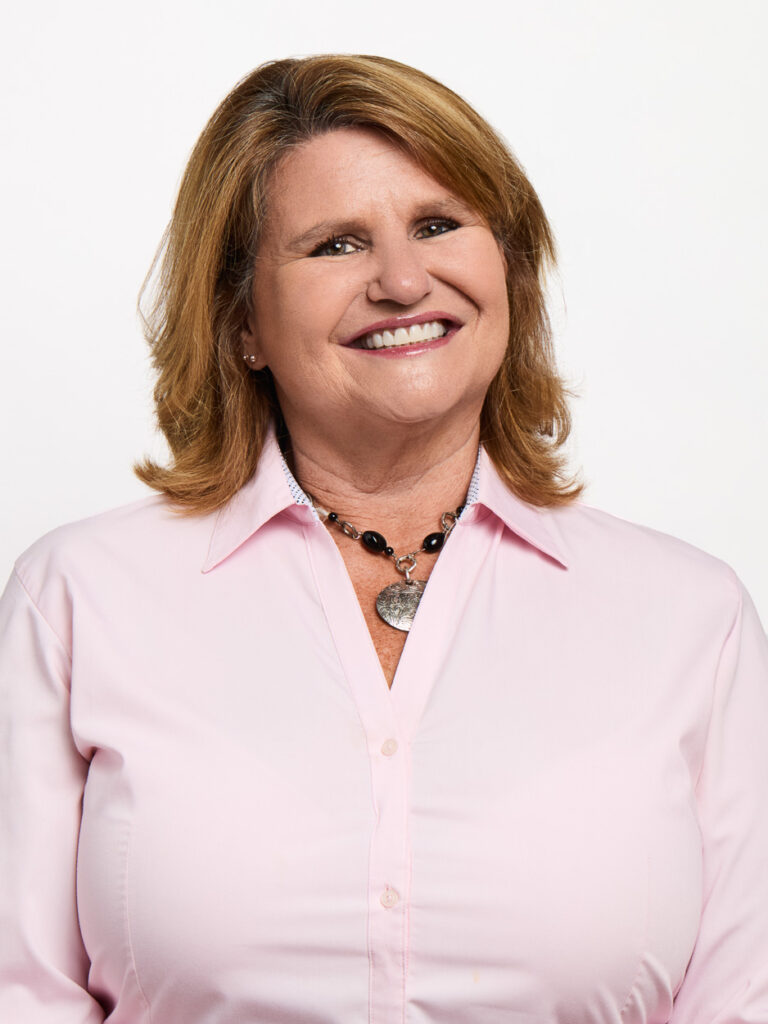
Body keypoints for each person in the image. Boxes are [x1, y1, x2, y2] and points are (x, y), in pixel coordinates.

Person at [0, 53, 766, 1024]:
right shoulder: (77, 598)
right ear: (243, 320)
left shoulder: (693, 621)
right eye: (334, 245)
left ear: (510, 274)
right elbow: (20, 994)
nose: (403, 280)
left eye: (440, 226)